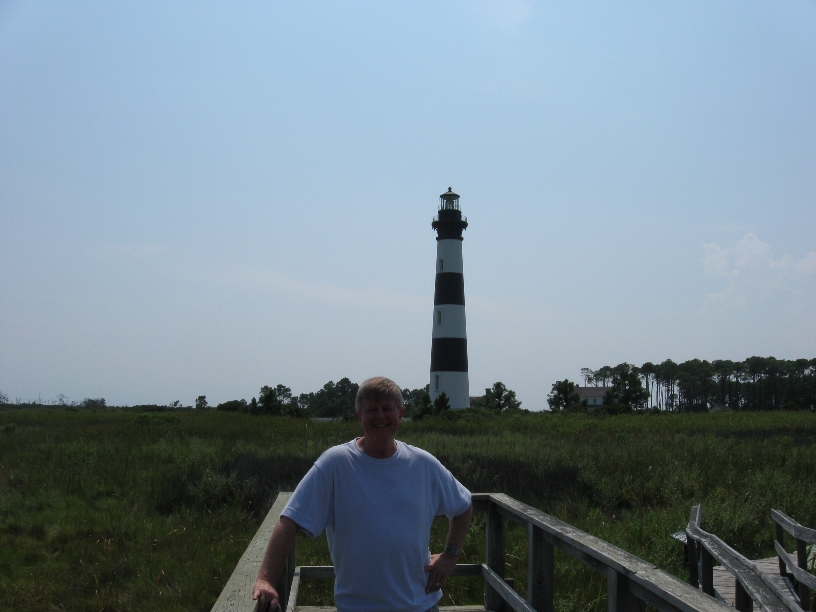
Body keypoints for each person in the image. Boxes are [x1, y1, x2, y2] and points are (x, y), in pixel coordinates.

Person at [253, 376, 473, 612]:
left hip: (420, 604)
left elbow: (463, 506)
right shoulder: (336, 463)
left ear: (401, 413)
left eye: (387, 409)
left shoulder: (423, 464)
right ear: (359, 416)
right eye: (371, 410)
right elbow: (290, 521)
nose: (380, 416)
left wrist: (450, 555)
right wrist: (266, 579)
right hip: (357, 606)